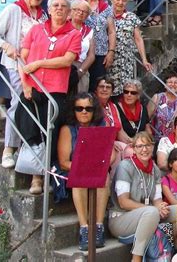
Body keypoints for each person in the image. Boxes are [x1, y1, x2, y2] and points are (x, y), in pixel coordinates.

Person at [16, 0, 82, 194]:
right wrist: (25, 84)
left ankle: (42, 176)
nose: (59, 9)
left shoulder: (74, 34)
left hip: (55, 91)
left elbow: (67, 60)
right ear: (49, 9)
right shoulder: (36, 30)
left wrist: (39, 64)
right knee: (28, 126)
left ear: (69, 12)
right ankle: (33, 174)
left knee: (49, 132)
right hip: (33, 87)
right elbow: (22, 58)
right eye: (55, 5)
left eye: (63, 6)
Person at [0, 0, 48, 168]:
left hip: (37, 67)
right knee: (18, 102)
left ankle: (29, 147)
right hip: (16, 64)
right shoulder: (13, 9)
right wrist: (7, 46)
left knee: (34, 106)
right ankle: (9, 148)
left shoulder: (44, 15)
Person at [57, 92, 115, 250]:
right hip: (73, 170)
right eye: (79, 108)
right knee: (80, 178)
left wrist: (96, 166)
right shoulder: (67, 130)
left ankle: (98, 226)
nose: (84, 112)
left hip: (97, 169)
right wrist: (85, 166)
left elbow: (112, 153)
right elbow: (63, 162)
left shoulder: (101, 126)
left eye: (88, 108)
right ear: (73, 110)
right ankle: (84, 228)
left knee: (104, 176)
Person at [108, 132, 176, 262]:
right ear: (133, 149)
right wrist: (152, 208)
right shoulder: (125, 166)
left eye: (147, 145)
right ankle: (137, 257)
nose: (144, 149)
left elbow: (157, 200)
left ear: (153, 147)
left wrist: (160, 207)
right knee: (151, 212)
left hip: (147, 214)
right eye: (139, 146)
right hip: (121, 219)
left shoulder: (155, 169)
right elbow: (123, 202)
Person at [108, 0, 151, 96]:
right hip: (108, 59)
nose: (120, 2)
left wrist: (144, 60)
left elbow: (138, 39)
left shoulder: (132, 17)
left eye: (124, 0)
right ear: (112, 0)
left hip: (125, 60)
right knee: (108, 88)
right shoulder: (105, 15)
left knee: (126, 90)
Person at [80, 0, 116, 91]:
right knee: (80, 85)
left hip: (100, 53)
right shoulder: (77, 5)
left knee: (97, 86)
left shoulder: (106, 7)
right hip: (81, 53)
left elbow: (111, 31)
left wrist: (111, 52)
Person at [148, 72, 177, 142]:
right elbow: (146, 119)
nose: (173, 84)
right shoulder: (157, 98)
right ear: (165, 85)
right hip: (157, 140)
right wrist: (149, 134)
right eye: (170, 82)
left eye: (176, 83)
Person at [70, 0, 95, 92]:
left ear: (87, 15)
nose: (80, 13)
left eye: (84, 11)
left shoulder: (89, 31)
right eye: (77, 10)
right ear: (71, 11)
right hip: (65, 66)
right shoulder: (63, 27)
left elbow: (91, 56)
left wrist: (80, 71)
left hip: (82, 67)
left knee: (80, 100)